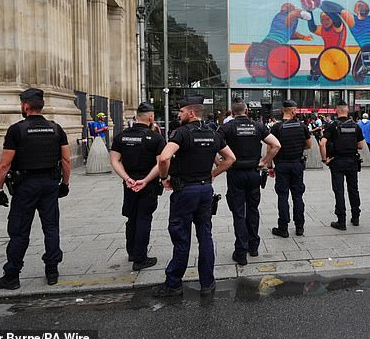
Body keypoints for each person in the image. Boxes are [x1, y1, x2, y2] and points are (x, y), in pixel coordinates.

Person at [153, 96, 236, 297]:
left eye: (180, 112)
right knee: (205, 235)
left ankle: (173, 283)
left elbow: (164, 157)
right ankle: (207, 283)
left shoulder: (181, 133)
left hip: (185, 191)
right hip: (205, 190)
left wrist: (165, 177)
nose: (178, 115)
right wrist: (213, 174)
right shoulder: (213, 133)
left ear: (190, 113)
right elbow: (230, 158)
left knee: (181, 237)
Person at [0, 88, 71, 289]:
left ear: (25, 106)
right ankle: (52, 271)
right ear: (41, 106)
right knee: (51, 227)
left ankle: (12, 275)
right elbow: (66, 160)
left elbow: (4, 164)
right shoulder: (56, 129)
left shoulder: (17, 130)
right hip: (50, 184)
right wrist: (65, 184)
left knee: (19, 231)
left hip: (25, 186)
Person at [218, 99, 280, 265]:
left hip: (235, 173)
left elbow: (213, 146)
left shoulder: (227, 127)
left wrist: (221, 164)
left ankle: (241, 252)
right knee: (253, 210)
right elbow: (276, 145)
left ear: (232, 111)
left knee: (239, 212)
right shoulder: (258, 126)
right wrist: (264, 161)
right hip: (253, 173)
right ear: (246, 111)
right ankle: (253, 247)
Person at [110, 102, 166, 272]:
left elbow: (114, 160)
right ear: (151, 117)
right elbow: (161, 162)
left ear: (136, 117)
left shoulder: (121, 136)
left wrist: (127, 178)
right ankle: (140, 258)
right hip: (147, 185)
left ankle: (132, 252)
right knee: (143, 219)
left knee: (132, 218)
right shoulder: (156, 138)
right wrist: (147, 180)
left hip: (129, 184)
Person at [320, 100, 365, 230]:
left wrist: (325, 159)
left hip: (337, 161)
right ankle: (355, 217)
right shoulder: (356, 126)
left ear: (336, 110)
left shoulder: (332, 126)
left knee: (339, 190)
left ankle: (341, 220)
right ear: (347, 110)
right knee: (353, 189)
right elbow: (361, 145)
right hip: (352, 161)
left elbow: (322, 143)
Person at [269, 99, 312, 237]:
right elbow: (309, 145)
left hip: (281, 165)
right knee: (298, 196)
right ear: (293, 111)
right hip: (297, 165)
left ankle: (283, 228)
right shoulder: (302, 126)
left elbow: (270, 147)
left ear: (283, 111)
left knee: (282, 196)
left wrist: (269, 165)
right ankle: (299, 227)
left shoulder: (276, 127)